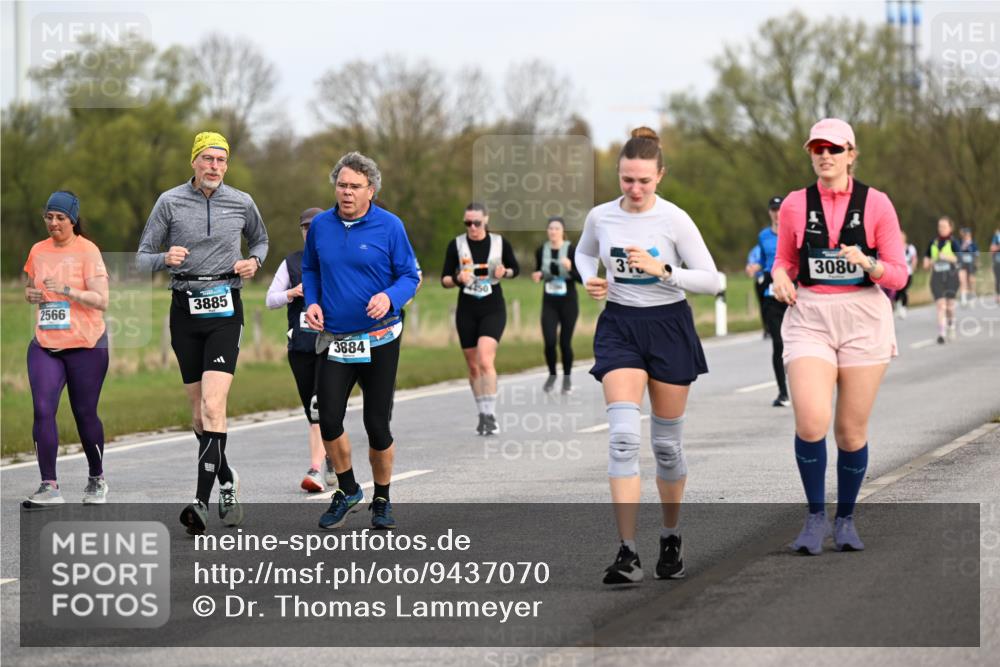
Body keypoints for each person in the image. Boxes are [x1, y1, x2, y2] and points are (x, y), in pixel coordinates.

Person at [576, 127, 721, 584]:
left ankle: (670, 535)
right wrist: (590, 278)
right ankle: (626, 552)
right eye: (626, 180)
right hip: (620, 327)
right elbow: (583, 254)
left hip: (669, 327)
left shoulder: (674, 219)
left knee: (665, 446)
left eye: (643, 181)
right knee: (622, 439)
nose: (635, 190)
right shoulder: (601, 218)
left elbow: (714, 280)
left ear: (660, 175)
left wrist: (665, 270)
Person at [770, 118, 907, 555]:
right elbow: (785, 260)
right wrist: (779, 277)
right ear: (810, 154)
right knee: (811, 421)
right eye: (817, 148)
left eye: (834, 148)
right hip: (809, 314)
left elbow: (900, 275)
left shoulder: (877, 204)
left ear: (851, 153)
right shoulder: (794, 204)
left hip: (863, 315)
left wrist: (869, 263)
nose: (824, 155)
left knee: (849, 433)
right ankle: (814, 518)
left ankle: (845, 519)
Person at [137, 131, 268, 534]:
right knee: (198, 415)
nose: (214, 167)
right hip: (185, 309)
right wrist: (164, 257)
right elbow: (141, 260)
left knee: (214, 406)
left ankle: (201, 502)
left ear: (227, 165)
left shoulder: (242, 202)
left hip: (226, 308)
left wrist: (254, 262)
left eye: (221, 160)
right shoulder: (169, 202)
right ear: (194, 161)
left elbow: (260, 240)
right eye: (207, 159)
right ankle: (227, 478)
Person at [303, 152, 419, 531]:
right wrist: (313, 300)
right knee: (329, 418)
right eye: (341, 185)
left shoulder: (390, 226)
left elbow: (410, 275)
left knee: (376, 424)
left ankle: (382, 498)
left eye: (355, 186)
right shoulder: (321, 225)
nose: (347, 193)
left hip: (380, 338)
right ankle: (349, 488)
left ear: (371, 190)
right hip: (336, 338)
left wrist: (390, 297)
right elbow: (311, 267)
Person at [22, 191, 110, 508]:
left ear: (72, 219)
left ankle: (96, 478)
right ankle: (49, 485)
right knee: (43, 409)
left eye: (60, 217)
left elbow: (102, 300)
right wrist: (32, 295)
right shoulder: (38, 250)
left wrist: (69, 291)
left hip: (87, 345)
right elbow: (31, 287)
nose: (54, 223)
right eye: (49, 216)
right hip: (46, 343)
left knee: (84, 414)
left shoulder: (88, 251)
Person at [265, 207, 334, 492]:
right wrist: (293, 293)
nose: (310, 231)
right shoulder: (291, 263)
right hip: (300, 346)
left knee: (320, 406)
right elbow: (270, 299)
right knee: (312, 409)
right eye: (305, 228)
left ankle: (315, 468)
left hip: (331, 345)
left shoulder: (336, 258)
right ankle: (331, 456)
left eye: (315, 226)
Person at [440, 203, 520, 436]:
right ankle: (482, 414)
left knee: (485, 360)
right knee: (473, 366)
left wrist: (504, 272)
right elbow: (444, 279)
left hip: (493, 307)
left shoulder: (499, 243)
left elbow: (516, 269)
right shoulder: (457, 245)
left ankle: (492, 414)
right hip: (467, 309)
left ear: (486, 220)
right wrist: (457, 278)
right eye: (468, 223)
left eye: (477, 222)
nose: (472, 227)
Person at [744, 196, 790, 406]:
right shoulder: (764, 236)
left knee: (798, 344)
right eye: (774, 209)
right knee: (778, 344)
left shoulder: (794, 231)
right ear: (770, 212)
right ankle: (783, 393)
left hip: (792, 289)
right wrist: (755, 267)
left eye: (780, 209)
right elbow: (761, 260)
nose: (777, 213)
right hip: (771, 293)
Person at [531, 216, 581, 394]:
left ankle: (567, 381)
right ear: (547, 231)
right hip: (549, 302)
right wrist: (537, 275)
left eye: (557, 228)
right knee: (549, 342)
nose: (553, 231)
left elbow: (581, 278)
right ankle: (552, 375)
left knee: (565, 343)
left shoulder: (571, 250)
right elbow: (539, 271)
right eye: (550, 228)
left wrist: (570, 269)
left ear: (563, 231)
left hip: (568, 301)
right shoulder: (540, 250)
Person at [922, 217, 961, 344]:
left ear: (950, 228)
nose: (941, 229)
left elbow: (960, 259)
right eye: (940, 226)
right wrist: (931, 262)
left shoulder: (954, 243)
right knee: (940, 305)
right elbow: (925, 265)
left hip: (951, 277)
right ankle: (941, 333)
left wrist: (947, 257)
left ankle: (951, 324)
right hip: (937, 278)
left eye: (944, 226)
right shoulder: (932, 243)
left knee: (949, 306)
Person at [894, 230, 918, 318]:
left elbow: (914, 259)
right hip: (897, 273)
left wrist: (913, 267)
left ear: (904, 237)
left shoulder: (910, 248)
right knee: (897, 291)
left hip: (908, 273)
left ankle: (903, 308)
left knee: (904, 290)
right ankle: (897, 306)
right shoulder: (894, 248)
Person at [957, 227, 980, 306]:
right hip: (962, 264)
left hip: (971, 264)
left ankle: (971, 296)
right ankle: (963, 298)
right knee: (962, 280)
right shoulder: (960, 243)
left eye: (967, 234)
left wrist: (976, 263)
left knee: (971, 281)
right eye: (965, 234)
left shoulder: (973, 244)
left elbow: (976, 255)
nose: (966, 236)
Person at [991, 226, 1000, 305]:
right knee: (998, 279)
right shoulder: (997, 236)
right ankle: (998, 295)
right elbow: (992, 249)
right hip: (997, 261)